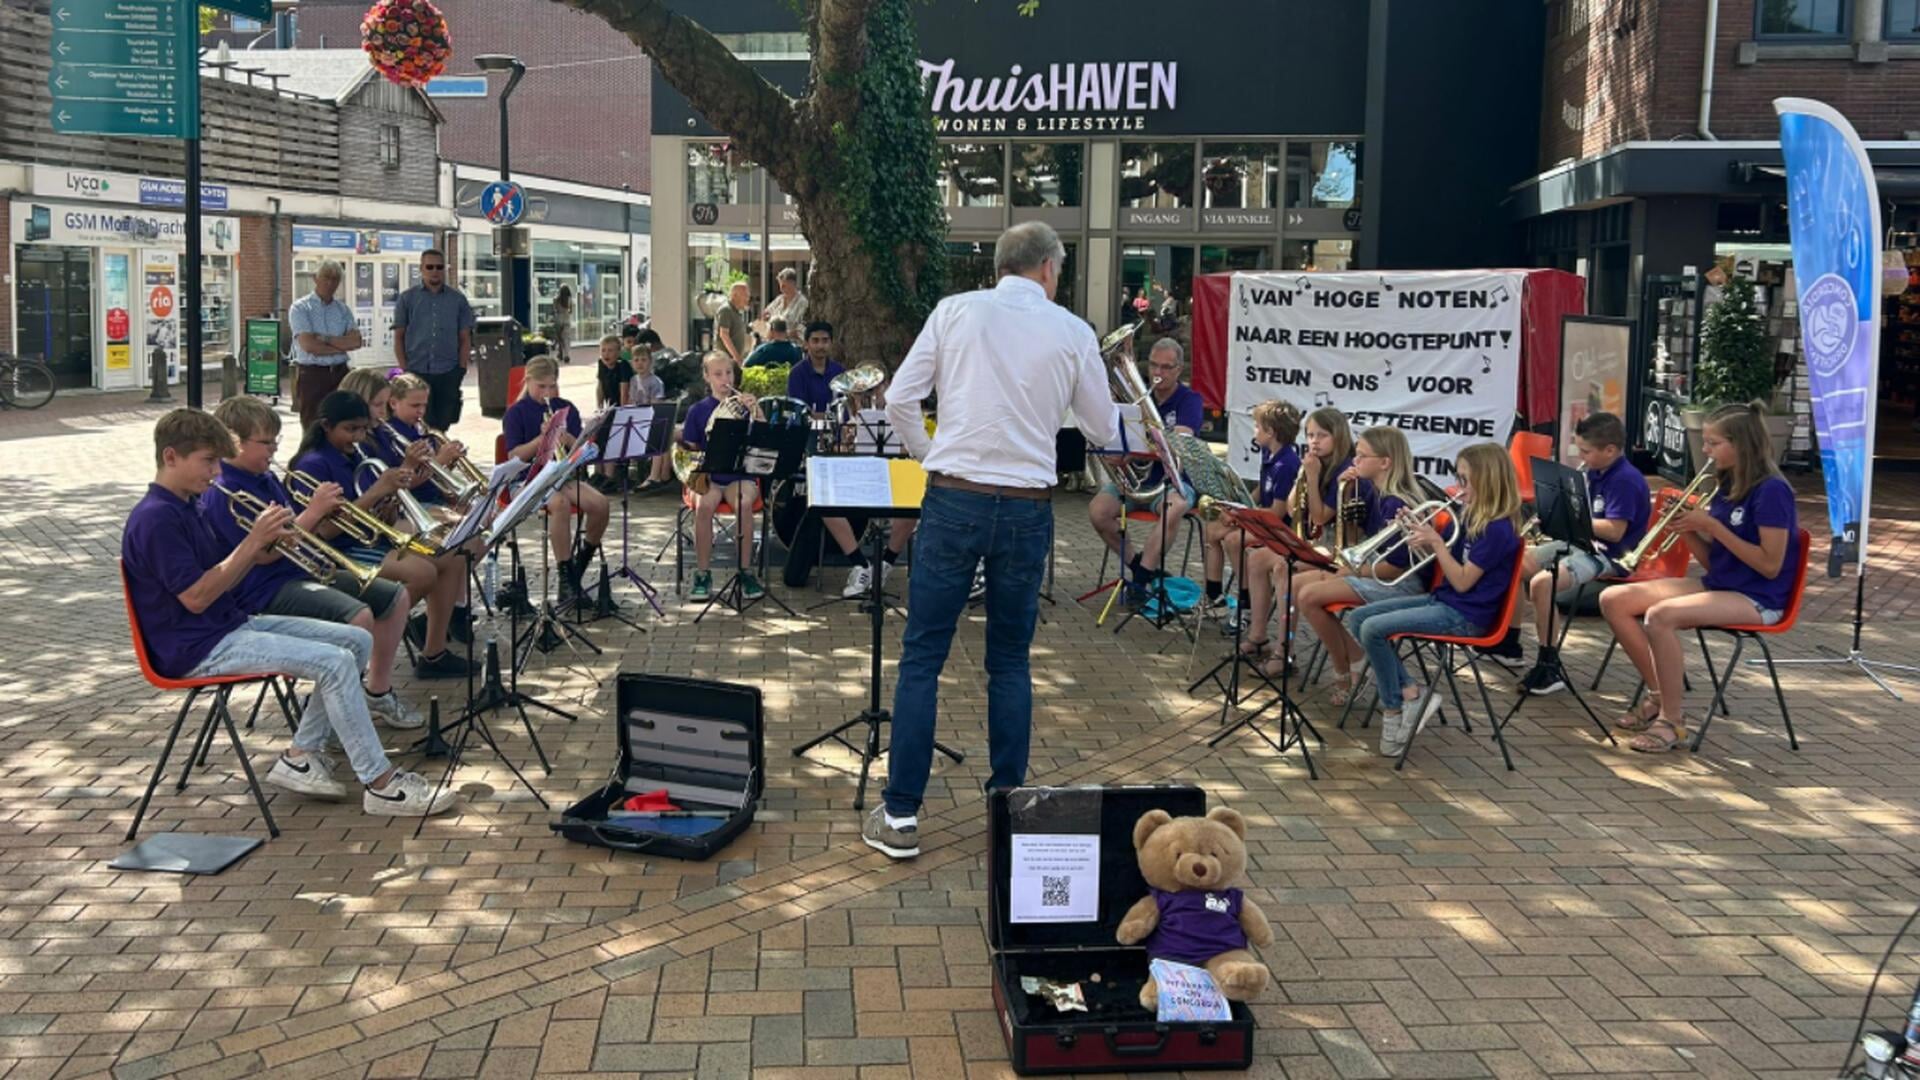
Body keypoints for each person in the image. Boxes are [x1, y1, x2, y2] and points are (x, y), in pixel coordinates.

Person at [866, 221, 1119, 860]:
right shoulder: (1072, 330)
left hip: (954, 497)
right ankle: (1009, 807)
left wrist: (932, 458)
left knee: (923, 654)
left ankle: (900, 816)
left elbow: (899, 398)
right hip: (1028, 507)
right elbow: (1100, 425)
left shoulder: (955, 311)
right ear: (1049, 269)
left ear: (1002, 265)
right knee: (1009, 659)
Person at [123, 408, 455, 817]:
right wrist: (253, 544)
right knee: (334, 662)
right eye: (207, 461)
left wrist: (263, 547)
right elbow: (195, 598)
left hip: (227, 624)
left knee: (355, 639)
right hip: (196, 646)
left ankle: (301, 754)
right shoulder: (156, 518)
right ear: (171, 457)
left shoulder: (186, 504)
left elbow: (229, 569)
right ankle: (381, 784)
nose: (213, 473)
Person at [204, 396, 420, 729]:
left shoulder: (265, 477)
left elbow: (293, 531)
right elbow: (264, 554)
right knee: (358, 618)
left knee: (394, 596)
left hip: (301, 570)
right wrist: (315, 512)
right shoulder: (225, 489)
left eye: (276, 441)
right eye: (265, 443)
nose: (273, 450)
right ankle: (336, 718)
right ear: (233, 441)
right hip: (263, 589)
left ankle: (377, 693)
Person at [1599, 403, 1799, 754]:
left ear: (1741, 445)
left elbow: (1770, 565)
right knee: (1613, 600)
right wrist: (1689, 530)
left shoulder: (1772, 492)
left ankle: (1672, 721)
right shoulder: (1728, 482)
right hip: (1722, 584)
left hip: (1759, 597)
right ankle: (1660, 693)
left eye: (1713, 443)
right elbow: (1714, 562)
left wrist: (1713, 526)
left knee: (1660, 617)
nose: (1705, 450)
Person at [1346, 442, 1524, 757]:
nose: (1459, 487)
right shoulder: (1472, 515)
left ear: (1489, 481)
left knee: (1373, 629)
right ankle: (1411, 693)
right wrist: (1421, 536)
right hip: (1446, 602)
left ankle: (1395, 708)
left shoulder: (1497, 529)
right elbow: (1445, 567)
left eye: (1466, 480)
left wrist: (1437, 544)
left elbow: (1463, 582)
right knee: (1359, 618)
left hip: (1467, 617)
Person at [292, 391, 473, 678]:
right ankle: (377, 641)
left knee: (452, 554)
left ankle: (433, 653)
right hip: (340, 551)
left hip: (368, 537)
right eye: (350, 429)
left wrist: (386, 503)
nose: (358, 437)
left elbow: (369, 507)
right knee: (422, 573)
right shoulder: (313, 464)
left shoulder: (354, 454)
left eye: (363, 429)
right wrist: (377, 491)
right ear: (326, 426)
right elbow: (324, 530)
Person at [1293, 425, 1429, 707]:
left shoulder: (1396, 503)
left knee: (1308, 595)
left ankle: (1348, 665)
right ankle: (1353, 658)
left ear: (1385, 462)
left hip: (1402, 585)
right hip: (1376, 573)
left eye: (1362, 456)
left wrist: (1353, 572)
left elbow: (1396, 568)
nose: (1354, 462)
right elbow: (1356, 542)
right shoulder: (1376, 493)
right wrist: (1346, 496)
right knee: (1297, 586)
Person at [1516, 412, 1652, 695]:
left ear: (1611, 450)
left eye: (1586, 451)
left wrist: (1568, 519)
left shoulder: (1625, 479)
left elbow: (1615, 531)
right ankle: (1510, 641)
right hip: (1584, 543)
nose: (1581, 456)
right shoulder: (1595, 471)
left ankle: (1549, 663)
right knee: (1516, 561)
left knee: (1543, 583)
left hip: (1611, 555)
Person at [1240, 406, 1354, 675]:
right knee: (1256, 560)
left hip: (1339, 549)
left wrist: (1311, 478)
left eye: (1322, 435)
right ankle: (1259, 638)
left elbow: (1320, 516)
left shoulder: (1344, 471)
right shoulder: (1317, 464)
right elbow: (1294, 510)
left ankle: (1285, 651)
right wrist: (1303, 477)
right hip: (1319, 543)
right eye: (1310, 435)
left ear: (1338, 437)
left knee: (1284, 568)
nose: (1314, 441)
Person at [1088, 338, 1201, 599]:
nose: (1158, 373)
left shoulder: (1190, 400)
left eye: (1165, 367)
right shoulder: (1134, 400)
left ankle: (1139, 583)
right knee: (1098, 511)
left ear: (1178, 369)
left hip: (1173, 480)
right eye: (1153, 365)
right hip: (1139, 480)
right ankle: (1142, 569)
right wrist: (1118, 450)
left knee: (1173, 509)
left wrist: (1141, 447)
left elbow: (1180, 440)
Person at [502, 356, 612, 600]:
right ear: (528, 382)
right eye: (541, 386)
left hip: (562, 475)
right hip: (528, 480)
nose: (547, 392)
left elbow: (583, 451)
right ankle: (565, 576)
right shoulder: (516, 413)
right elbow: (514, 456)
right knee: (559, 504)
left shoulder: (566, 407)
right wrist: (541, 440)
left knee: (601, 504)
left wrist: (569, 440)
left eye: (552, 386)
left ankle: (577, 566)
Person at [1203, 399, 1300, 620]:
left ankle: (1247, 603)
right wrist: (1237, 506)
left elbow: (1277, 512)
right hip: (1261, 519)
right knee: (1211, 530)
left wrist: (1239, 517)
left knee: (1234, 540)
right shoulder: (1269, 453)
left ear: (1271, 432)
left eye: (1257, 426)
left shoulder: (1287, 464)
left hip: (1278, 528)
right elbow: (1258, 490)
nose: (1254, 430)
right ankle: (1214, 597)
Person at [681, 352, 764, 602]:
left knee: (744, 504)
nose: (725, 379)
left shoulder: (743, 405)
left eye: (728, 373)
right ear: (707, 377)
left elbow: (762, 440)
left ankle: (745, 571)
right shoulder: (698, 410)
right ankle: (703, 573)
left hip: (739, 474)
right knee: (705, 505)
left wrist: (756, 412)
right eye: (717, 374)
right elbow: (689, 451)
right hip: (707, 474)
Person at [392, 249, 476, 432]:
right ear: (421, 269)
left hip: (448, 372)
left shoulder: (458, 300)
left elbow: (465, 338)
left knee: (443, 425)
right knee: (418, 423)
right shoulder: (407, 299)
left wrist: (460, 370)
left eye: (439, 267)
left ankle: (440, 458)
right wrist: (405, 369)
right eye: (429, 267)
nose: (434, 271)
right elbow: (399, 337)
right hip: (417, 371)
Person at [289, 260, 362, 430]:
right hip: (314, 375)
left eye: (335, 279)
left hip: (340, 373)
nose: (330, 283)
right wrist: (342, 345)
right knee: (313, 426)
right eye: (326, 278)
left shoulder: (343, 310)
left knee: (343, 424)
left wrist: (325, 339)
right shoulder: (301, 308)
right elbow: (309, 346)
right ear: (315, 278)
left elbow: (356, 341)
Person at [626, 340, 675, 491]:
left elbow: (657, 406)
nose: (640, 363)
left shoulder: (655, 382)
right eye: (636, 360)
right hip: (638, 417)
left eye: (643, 360)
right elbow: (632, 401)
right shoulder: (633, 380)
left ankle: (656, 476)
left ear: (650, 361)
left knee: (659, 437)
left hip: (653, 418)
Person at [787, 320, 846, 414]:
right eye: (815, 340)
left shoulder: (839, 371)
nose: (820, 346)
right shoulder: (797, 374)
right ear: (806, 344)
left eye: (825, 340)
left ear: (831, 343)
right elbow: (797, 410)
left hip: (836, 428)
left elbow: (844, 409)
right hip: (807, 428)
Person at [759, 266, 808, 338]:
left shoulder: (802, 302)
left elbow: (802, 329)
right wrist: (765, 318)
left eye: (784, 286)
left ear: (792, 283)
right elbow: (765, 314)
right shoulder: (778, 300)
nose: (781, 289)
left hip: (792, 344)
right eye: (780, 285)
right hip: (773, 342)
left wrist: (783, 335)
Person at [715, 281, 752, 364]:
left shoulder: (737, 312)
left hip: (733, 361)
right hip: (725, 361)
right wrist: (736, 357)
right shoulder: (726, 310)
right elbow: (724, 335)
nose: (748, 298)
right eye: (745, 295)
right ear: (735, 295)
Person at [551, 284, 574, 363]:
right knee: (566, 338)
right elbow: (571, 311)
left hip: (558, 319)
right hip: (567, 318)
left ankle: (560, 354)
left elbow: (554, 311)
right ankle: (566, 355)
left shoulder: (556, 299)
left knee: (560, 338)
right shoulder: (569, 299)